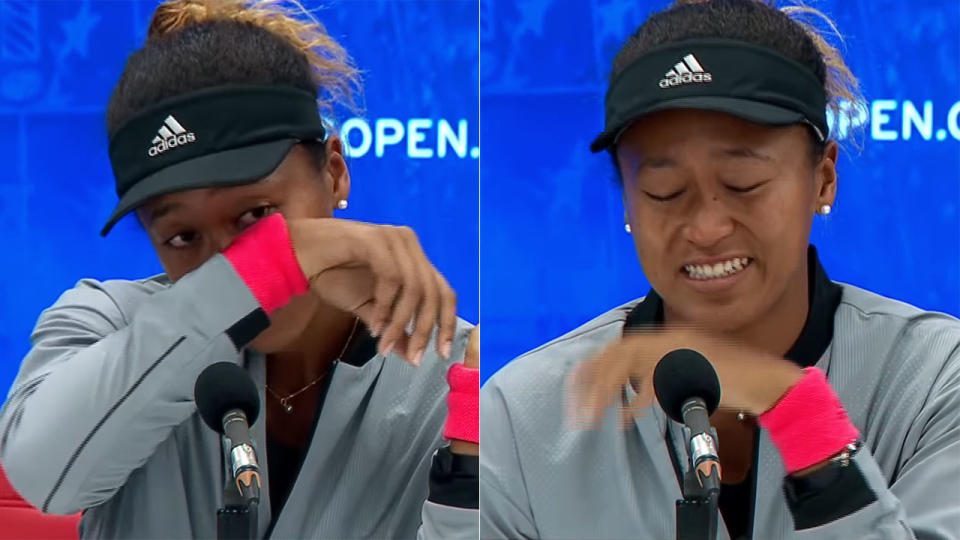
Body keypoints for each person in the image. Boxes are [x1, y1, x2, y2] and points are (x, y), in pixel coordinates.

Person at [480, 1, 960, 539]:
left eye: (743, 182)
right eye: (664, 192)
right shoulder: (523, 416)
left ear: (823, 178)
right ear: (626, 205)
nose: (705, 226)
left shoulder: (935, 379)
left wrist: (795, 410)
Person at [0, 1, 479, 538]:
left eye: (256, 215)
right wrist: (269, 265)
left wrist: (467, 473)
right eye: (183, 236)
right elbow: (43, 475)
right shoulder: (103, 323)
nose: (226, 263)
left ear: (336, 174)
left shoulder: (453, 373)